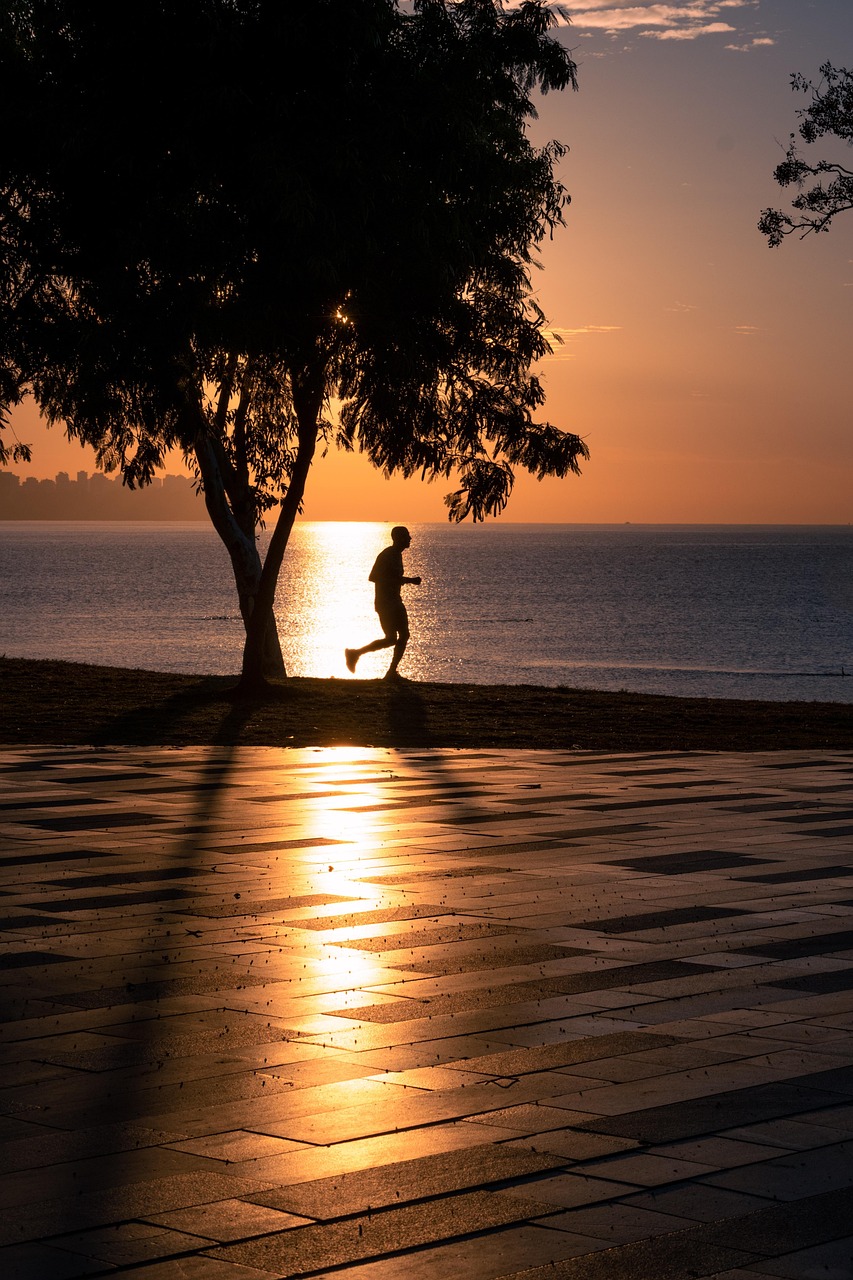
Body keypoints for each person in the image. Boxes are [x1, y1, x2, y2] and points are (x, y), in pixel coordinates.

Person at [345, 526, 421, 679]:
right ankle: (358, 655)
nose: (410, 539)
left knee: (399, 637)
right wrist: (408, 580)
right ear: (399, 538)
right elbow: (373, 576)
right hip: (386, 603)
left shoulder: (396, 555)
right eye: (407, 536)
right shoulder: (387, 555)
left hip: (393, 601)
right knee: (394, 638)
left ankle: (388, 670)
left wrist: (403, 581)